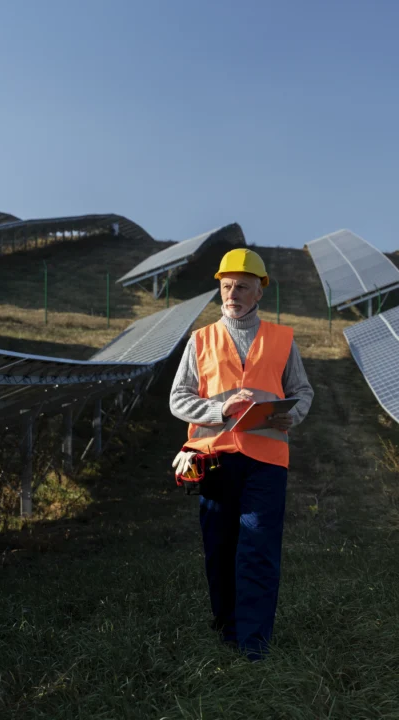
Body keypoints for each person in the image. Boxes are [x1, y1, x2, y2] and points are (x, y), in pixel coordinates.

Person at [169, 248, 314, 661]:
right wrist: (219, 410)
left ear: (259, 292)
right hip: (214, 459)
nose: (233, 293)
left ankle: (252, 645)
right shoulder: (201, 340)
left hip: (267, 462)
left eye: (242, 287)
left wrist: (293, 415)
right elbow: (179, 398)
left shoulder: (282, 339)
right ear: (220, 288)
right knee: (220, 547)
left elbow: (302, 391)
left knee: (258, 549)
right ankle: (226, 628)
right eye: (227, 286)